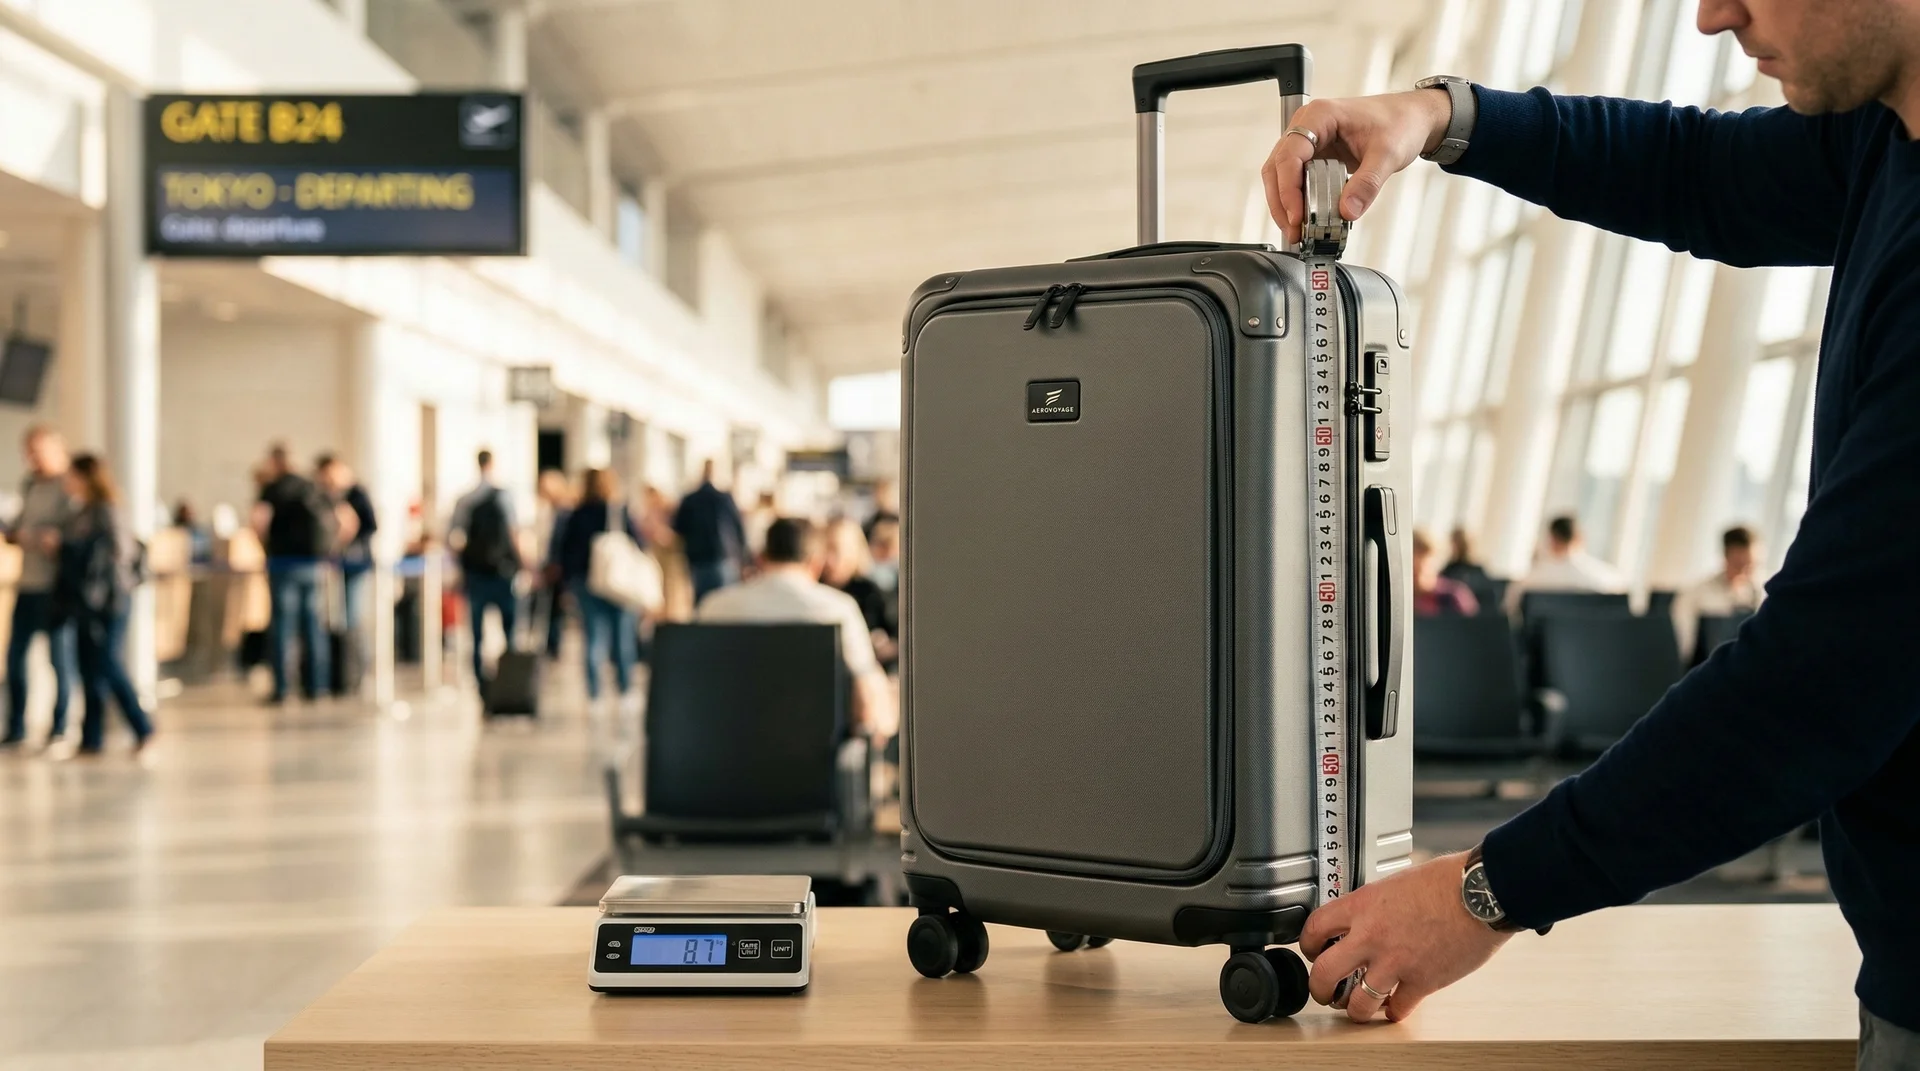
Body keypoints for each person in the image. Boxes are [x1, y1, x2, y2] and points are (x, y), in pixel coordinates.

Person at [1259, 2, 1920, 1056]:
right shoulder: (1891, 136)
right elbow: (1695, 172)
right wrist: (1437, 115)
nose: (1712, 17)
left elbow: (1822, 685)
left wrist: (1479, 896)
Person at [699, 518, 896, 737]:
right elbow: (870, 705)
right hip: (816, 755)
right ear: (816, 562)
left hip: (724, 747)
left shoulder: (714, 607)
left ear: (761, 558)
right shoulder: (837, 609)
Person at [56, 454, 154, 757]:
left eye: (71, 475)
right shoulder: (81, 511)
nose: (66, 482)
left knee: (107, 662)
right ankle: (92, 737)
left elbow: (119, 554)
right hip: (86, 600)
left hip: (111, 599)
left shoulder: (107, 510)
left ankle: (143, 726)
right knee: (89, 667)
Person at [1, 427, 76, 750]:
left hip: (55, 587)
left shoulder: (69, 487)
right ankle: (16, 727)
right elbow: (20, 528)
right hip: (28, 583)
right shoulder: (29, 484)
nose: (32, 458)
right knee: (15, 658)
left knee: (60, 661)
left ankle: (60, 727)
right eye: (28, 451)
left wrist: (43, 538)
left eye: (37, 450)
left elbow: (65, 536)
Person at [253, 445, 337, 704]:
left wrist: (265, 549)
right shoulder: (312, 487)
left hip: (283, 564)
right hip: (312, 564)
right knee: (313, 626)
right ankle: (317, 686)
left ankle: (282, 688)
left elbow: (258, 521)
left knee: (283, 627)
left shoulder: (273, 488)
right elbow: (343, 520)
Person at [554, 468, 645, 702]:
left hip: (586, 581)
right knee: (623, 636)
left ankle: (595, 693)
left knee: (594, 637)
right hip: (619, 583)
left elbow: (566, 550)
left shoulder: (577, 513)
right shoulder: (618, 511)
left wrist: (569, 582)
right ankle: (625, 689)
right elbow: (639, 544)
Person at [449, 450, 521, 695]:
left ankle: (482, 685)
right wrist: (523, 563)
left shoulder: (465, 499)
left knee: (476, 634)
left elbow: (454, 537)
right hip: (503, 572)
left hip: (476, 573)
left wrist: (460, 566)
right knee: (509, 631)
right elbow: (514, 533)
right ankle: (509, 680)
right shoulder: (505, 496)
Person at [317, 454, 376, 690]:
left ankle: (357, 672)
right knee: (339, 617)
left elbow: (367, 526)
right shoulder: (330, 495)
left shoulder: (356, 494)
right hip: (338, 564)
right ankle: (345, 672)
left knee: (353, 617)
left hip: (356, 563)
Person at [1673, 525, 1768, 661]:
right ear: (1727, 556)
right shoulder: (1696, 595)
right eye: (1741, 565)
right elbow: (1683, 648)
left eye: (1752, 566)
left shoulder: (1760, 596)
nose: (1746, 573)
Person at [1500, 515, 1625, 617]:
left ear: (1552, 539)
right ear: (1580, 538)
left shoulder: (1529, 582)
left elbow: (1508, 612)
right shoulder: (1611, 580)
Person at [820, 517, 897, 669]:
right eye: (825, 549)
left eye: (836, 549)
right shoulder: (815, 588)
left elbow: (895, 638)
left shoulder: (871, 593)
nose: (829, 559)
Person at [671, 460, 747, 605]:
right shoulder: (724, 498)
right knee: (725, 602)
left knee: (702, 603)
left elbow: (678, 528)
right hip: (723, 556)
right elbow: (739, 528)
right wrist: (743, 557)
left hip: (698, 558)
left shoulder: (690, 499)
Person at [534, 469, 574, 660]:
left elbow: (560, 542)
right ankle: (550, 647)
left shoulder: (564, 513)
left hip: (558, 568)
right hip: (546, 565)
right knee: (549, 609)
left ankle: (554, 648)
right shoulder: (545, 511)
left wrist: (557, 564)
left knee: (557, 609)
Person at [1412, 529, 1479, 617]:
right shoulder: (1398, 599)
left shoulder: (1453, 597)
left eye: (1422, 569)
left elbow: (1471, 628)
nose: (1417, 578)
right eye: (1413, 571)